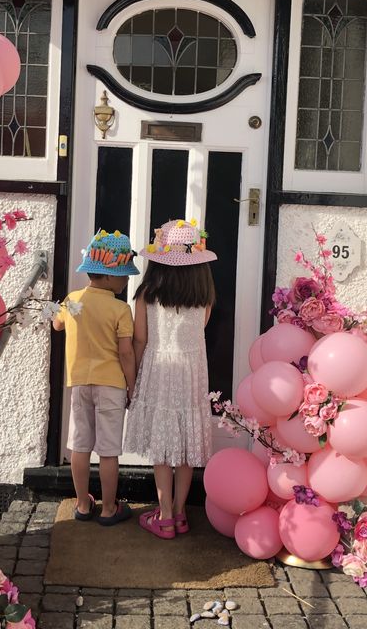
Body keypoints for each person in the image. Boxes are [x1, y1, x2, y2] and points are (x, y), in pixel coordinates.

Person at [124, 219, 217, 539]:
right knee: (186, 444)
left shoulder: (147, 293)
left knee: (164, 447)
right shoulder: (204, 295)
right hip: (192, 372)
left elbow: (139, 339)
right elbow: (199, 330)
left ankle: (163, 516)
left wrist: (132, 379)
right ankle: (178, 513)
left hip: (160, 369)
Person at [53, 229, 138, 526]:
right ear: (111, 276)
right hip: (112, 384)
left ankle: (82, 504)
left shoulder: (73, 300)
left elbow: (57, 325)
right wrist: (132, 385)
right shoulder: (120, 309)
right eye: (124, 275)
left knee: (79, 445)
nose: (126, 280)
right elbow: (126, 353)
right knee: (109, 450)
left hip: (79, 382)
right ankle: (109, 508)